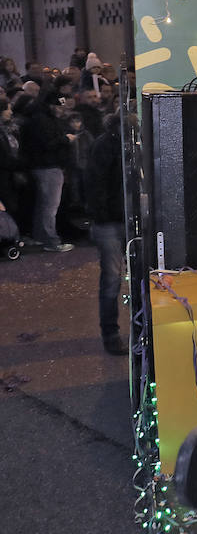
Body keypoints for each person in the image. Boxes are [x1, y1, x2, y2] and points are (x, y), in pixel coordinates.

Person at [84, 114, 127, 354]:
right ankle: (110, 334)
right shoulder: (106, 145)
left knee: (112, 278)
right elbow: (95, 182)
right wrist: (101, 214)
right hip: (111, 219)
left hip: (116, 218)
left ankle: (113, 334)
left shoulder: (117, 143)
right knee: (111, 279)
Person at [20, 89, 74, 252]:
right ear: (51, 105)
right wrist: (66, 139)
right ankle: (51, 241)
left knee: (43, 205)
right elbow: (47, 144)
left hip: (43, 167)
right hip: (48, 167)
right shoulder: (43, 121)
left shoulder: (38, 118)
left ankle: (40, 237)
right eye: (59, 107)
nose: (61, 110)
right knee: (50, 206)